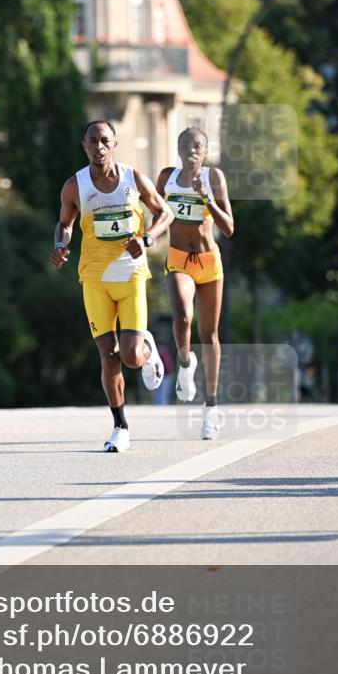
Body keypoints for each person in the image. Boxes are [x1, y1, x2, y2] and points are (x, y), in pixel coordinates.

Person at [51, 119, 173, 452]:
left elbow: (165, 213)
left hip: (131, 275)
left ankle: (148, 353)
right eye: (93, 141)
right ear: (84, 146)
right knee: (108, 357)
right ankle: (120, 426)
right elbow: (64, 225)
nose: (99, 147)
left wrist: (146, 238)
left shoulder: (134, 179)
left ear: (114, 144)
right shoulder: (74, 186)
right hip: (93, 279)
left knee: (131, 357)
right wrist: (60, 245)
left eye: (105, 141)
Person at [156, 127, 234, 439]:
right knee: (182, 317)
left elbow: (228, 227)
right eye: (185, 144)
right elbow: (155, 212)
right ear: (178, 149)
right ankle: (185, 363)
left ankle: (211, 408)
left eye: (197, 145)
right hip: (178, 258)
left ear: (205, 150)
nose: (191, 149)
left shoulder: (214, 178)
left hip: (209, 262)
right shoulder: (166, 178)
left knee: (209, 334)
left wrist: (207, 199)